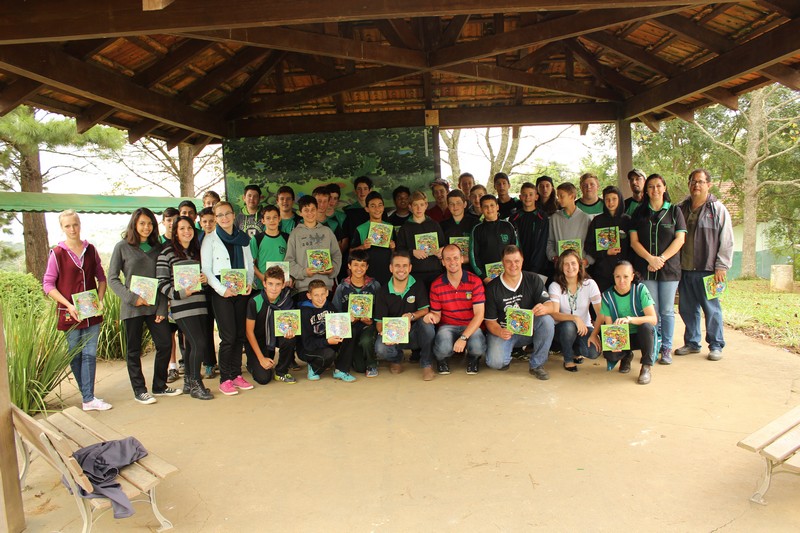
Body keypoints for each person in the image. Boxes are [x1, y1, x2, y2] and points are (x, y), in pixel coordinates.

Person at [43, 210, 111, 411]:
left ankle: (88, 399)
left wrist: (99, 300)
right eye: (68, 226)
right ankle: (88, 396)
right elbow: (48, 285)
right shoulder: (57, 253)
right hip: (69, 312)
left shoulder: (90, 250)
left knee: (89, 354)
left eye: (75, 224)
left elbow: (102, 278)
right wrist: (69, 305)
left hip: (91, 313)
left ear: (80, 224)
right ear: (62, 228)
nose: (72, 229)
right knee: (75, 355)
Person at [109, 208, 178, 405]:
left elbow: (164, 278)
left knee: (165, 343)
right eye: (142, 223)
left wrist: (162, 309)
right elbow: (112, 279)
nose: (146, 227)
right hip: (133, 308)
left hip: (155, 307)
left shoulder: (159, 248)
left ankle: (160, 385)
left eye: (150, 224)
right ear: (134, 224)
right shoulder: (122, 247)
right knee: (133, 350)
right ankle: (140, 390)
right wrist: (132, 298)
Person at [676, 169, 734, 361]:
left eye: (701, 182)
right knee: (687, 307)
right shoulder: (681, 208)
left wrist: (721, 266)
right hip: (684, 269)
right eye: (693, 181)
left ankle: (716, 344)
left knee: (711, 308)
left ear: (709, 185)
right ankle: (692, 342)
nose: (696, 185)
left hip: (709, 270)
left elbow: (726, 240)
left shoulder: (718, 209)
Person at [629, 173, 686, 364]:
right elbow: (634, 241)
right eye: (651, 186)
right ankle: (654, 346)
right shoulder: (639, 212)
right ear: (646, 190)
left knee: (667, 310)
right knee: (652, 311)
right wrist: (650, 259)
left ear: (665, 188)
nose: (655, 190)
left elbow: (680, 239)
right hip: (646, 268)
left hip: (669, 268)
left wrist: (661, 258)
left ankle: (667, 347)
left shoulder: (675, 211)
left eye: (658, 186)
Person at [201, 201, 255, 396]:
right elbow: (206, 268)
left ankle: (236, 375)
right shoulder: (210, 239)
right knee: (229, 336)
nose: (224, 218)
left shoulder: (243, 238)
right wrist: (222, 289)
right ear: (215, 218)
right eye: (220, 215)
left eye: (227, 214)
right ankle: (225, 378)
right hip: (221, 294)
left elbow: (249, 263)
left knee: (240, 334)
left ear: (234, 216)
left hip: (241, 292)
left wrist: (249, 282)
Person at [156, 216, 213, 400]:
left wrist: (204, 281)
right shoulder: (167, 253)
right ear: (175, 231)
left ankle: (189, 382)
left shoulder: (197, 253)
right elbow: (162, 284)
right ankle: (197, 383)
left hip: (200, 306)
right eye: (182, 228)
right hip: (182, 307)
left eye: (189, 228)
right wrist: (180, 293)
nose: (187, 231)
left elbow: (201, 280)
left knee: (192, 346)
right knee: (199, 343)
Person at [484, 245, 555, 379]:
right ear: (502, 263)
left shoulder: (533, 279)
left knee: (547, 320)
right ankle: (506, 353)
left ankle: (537, 364)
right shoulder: (493, 287)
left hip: (528, 331)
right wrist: (500, 331)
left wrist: (545, 308)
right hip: (504, 332)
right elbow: (490, 321)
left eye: (516, 261)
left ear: (522, 261)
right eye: (508, 261)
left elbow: (551, 305)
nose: (513, 265)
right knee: (495, 363)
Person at [589, 261, 658, 385]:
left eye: (626, 276)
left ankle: (646, 367)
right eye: (617, 277)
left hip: (640, 335)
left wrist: (630, 319)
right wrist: (614, 344)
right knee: (610, 355)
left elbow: (653, 319)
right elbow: (610, 326)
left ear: (632, 276)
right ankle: (626, 356)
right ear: (613, 277)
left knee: (646, 327)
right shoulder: (607, 296)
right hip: (622, 336)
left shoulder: (640, 290)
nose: (622, 280)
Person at [373, 250, 436, 379]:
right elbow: (379, 322)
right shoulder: (383, 291)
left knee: (427, 323)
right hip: (394, 335)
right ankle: (396, 359)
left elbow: (425, 310)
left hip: (414, 333)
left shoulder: (418, 284)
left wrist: (411, 316)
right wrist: (385, 333)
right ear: (391, 268)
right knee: (380, 348)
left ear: (410, 268)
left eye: (404, 266)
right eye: (397, 266)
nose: (401, 269)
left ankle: (426, 364)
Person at [425, 244, 486, 375]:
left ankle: (473, 357)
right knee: (443, 349)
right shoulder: (436, 285)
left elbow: (479, 314)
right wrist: (431, 316)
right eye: (448, 259)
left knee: (478, 348)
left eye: (455, 258)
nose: (452, 262)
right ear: (442, 262)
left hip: (470, 324)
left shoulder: (475, 281)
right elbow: (437, 314)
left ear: (462, 259)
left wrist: (463, 338)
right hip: (447, 326)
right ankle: (441, 359)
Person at [548, 250, 601, 372]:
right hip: (562, 329)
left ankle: (574, 350)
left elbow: (600, 313)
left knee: (593, 352)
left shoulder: (590, 284)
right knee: (569, 326)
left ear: (579, 265)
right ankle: (568, 359)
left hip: (584, 328)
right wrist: (575, 318)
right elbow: (555, 314)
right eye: (566, 264)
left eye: (573, 263)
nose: (570, 267)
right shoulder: (555, 286)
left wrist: (594, 334)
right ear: (561, 267)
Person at [245, 265, 298, 385]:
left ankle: (281, 371)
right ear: (264, 283)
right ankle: (252, 363)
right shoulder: (255, 301)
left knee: (291, 339)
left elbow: (290, 324)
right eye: (270, 284)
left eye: (278, 284)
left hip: (275, 337)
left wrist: (290, 333)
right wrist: (261, 358)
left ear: (283, 285)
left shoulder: (286, 300)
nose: (274, 288)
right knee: (263, 378)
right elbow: (249, 332)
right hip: (258, 341)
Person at [332, 250, 380, 377]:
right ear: (349, 266)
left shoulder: (374, 286)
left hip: (368, 326)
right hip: (351, 328)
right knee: (359, 368)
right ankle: (351, 356)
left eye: (363, 265)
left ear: (367, 267)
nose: (359, 268)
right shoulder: (342, 287)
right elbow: (335, 312)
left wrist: (371, 320)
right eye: (355, 265)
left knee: (366, 340)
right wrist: (347, 319)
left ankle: (372, 363)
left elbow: (381, 310)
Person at [286, 195, 342, 294]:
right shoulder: (295, 234)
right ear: (300, 213)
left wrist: (331, 270)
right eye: (306, 210)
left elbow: (336, 255)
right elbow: (289, 261)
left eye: (313, 209)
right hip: (304, 288)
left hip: (325, 287)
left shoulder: (327, 231)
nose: (310, 213)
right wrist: (304, 272)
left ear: (317, 210)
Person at [300, 279, 355, 381]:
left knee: (350, 332)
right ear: (309, 296)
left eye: (322, 294)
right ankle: (314, 368)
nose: (320, 298)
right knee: (329, 354)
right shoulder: (304, 312)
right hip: (309, 348)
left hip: (327, 341)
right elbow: (307, 343)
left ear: (327, 293)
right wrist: (327, 341)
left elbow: (338, 324)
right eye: (316, 295)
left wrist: (348, 321)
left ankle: (340, 370)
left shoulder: (329, 305)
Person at [585, 185, 631, 292]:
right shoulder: (597, 220)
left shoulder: (627, 220)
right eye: (607, 199)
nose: (611, 202)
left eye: (614, 199)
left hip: (624, 272)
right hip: (603, 272)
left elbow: (632, 246)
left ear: (619, 199)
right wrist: (605, 252)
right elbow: (588, 246)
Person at [395, 191, 444, 289]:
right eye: (415, 205)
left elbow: (444, 245)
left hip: (435, 271)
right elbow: (399, 251)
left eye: (421, 204)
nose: (419, 208)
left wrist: (441, 251)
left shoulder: (434, 225)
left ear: (426, 205)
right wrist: (412, 252)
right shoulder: (405, 228)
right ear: (410, 207)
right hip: (415, 273)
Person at [470, 194, 518, 284]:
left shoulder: (508, 226)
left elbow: (516, 250)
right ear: (481, 209)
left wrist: (514, 271)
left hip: (509, 275)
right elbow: (473, 257)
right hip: (488, 279)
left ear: (497, 207)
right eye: (485, 206)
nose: (489, 209)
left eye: (492, 205)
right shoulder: (477, 229)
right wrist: (484, 277)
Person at [349, 191, 395, 285]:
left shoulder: (389, 227)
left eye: (380, 205)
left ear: (383, 207)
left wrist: (393, 247)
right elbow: (351, 252)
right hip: (367, 274)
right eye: (373, 206)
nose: (377, 209)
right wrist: (362, 247)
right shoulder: (361, 229)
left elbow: (397, 254)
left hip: (387, 272)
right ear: (367, 209)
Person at [547, 182, 591, 266]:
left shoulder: (585, 218)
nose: (558, 199)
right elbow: (549, 242)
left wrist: (588, 260)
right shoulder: (554, 218)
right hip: (561, 266)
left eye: (561, 196)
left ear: (572, 196)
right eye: (557, 196)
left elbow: (592, 243)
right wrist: (553, 257)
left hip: (580, 266)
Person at [509, 182, 549, 275]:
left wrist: (536, 266)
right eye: (524, 195)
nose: (527, 197)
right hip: (519, 264)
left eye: (531, 194)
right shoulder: (514, 217)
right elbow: (513, 242)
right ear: (520, 197)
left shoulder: (542, 217)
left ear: (536, 197)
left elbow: (543, 242)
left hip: (539, 265)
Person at [251, 205, 290, 292]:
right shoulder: (257, 239)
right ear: (263, 221)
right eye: (268, 218)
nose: (272, 220)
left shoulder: (287, 238)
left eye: (274, 217)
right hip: (263, 286)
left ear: (279, 219)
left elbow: (292, 260)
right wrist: (262, 277)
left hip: (282, 285)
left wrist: (290, 277)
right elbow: (251, 263)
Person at [440, 190, 480, 271]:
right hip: (450, 268)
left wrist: (469, 259)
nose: (455, 206)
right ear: (447, 205)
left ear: (465, 204)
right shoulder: (442, 225)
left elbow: (481, 248)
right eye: (451, 204)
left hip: (472, 267)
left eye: (458, 203)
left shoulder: (475, 223)